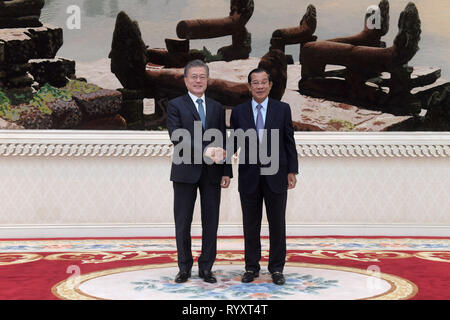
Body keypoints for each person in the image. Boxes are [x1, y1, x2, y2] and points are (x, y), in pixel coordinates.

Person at [229, 68, 298, 285]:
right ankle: (252, 267)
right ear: (249, 87)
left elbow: (289, 141)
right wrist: (224, 171)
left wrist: (292, 171)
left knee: (277, 224)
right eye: (255, 83)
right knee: (251, 225)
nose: (259, 86)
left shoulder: (282, 109)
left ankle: (277, 269)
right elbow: (233, 144)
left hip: (276, 175)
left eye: (263, 82)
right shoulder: (239, 112)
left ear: (270, 85)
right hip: (249, 176)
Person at [167, 59, 232, 283]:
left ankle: (206, 267)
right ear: (186, 80)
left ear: (208, 80)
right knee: (183, 221)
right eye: (193, 77)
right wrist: (206, 152)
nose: (198, 81)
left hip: (213, 173)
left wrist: (227, 171)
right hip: (185, 171)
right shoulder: (175, 105)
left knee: (211, 221)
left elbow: (224, 139)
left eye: (202, 77)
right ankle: (184, 267)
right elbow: (177, 137)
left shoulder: (216, 107)